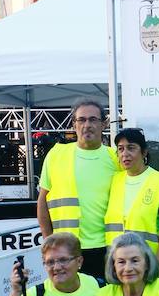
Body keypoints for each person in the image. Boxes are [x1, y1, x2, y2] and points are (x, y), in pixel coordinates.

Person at [37, 98, 119, 281]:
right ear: (74, 124)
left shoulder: (116, 158)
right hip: (67, 248)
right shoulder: (56, 155)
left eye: (93, 119)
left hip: (106, 248)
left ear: (104, 124)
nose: (87, 125)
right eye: (81, 120)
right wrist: (49, 242)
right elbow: (42, 201)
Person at [104, 128, 159, 269]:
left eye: (131, 148)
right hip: (118, 264)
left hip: (147, 263)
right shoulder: (115, 181)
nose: (125, 154)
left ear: (144, 152)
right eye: (121, 149)